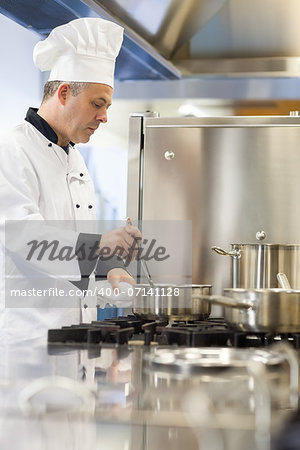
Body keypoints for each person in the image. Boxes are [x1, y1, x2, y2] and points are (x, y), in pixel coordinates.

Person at [0, 17, 141, 343]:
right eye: (97, 104)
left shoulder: (73, 157)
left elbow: (71, 255)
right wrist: (103, 244)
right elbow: (27, 241)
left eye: (106, 106)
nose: (104, 117)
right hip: (29, 345)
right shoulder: (12, 151)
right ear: (64, 93)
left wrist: (109, 272)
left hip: (77, 342)